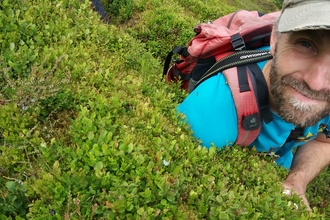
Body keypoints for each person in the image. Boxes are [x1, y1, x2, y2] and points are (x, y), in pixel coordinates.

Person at [177, 0, 330, 211]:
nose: (317, 83)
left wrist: (297, 180)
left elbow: (324, 142)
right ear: (275, 38)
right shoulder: (215, 111)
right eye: (306, 43)